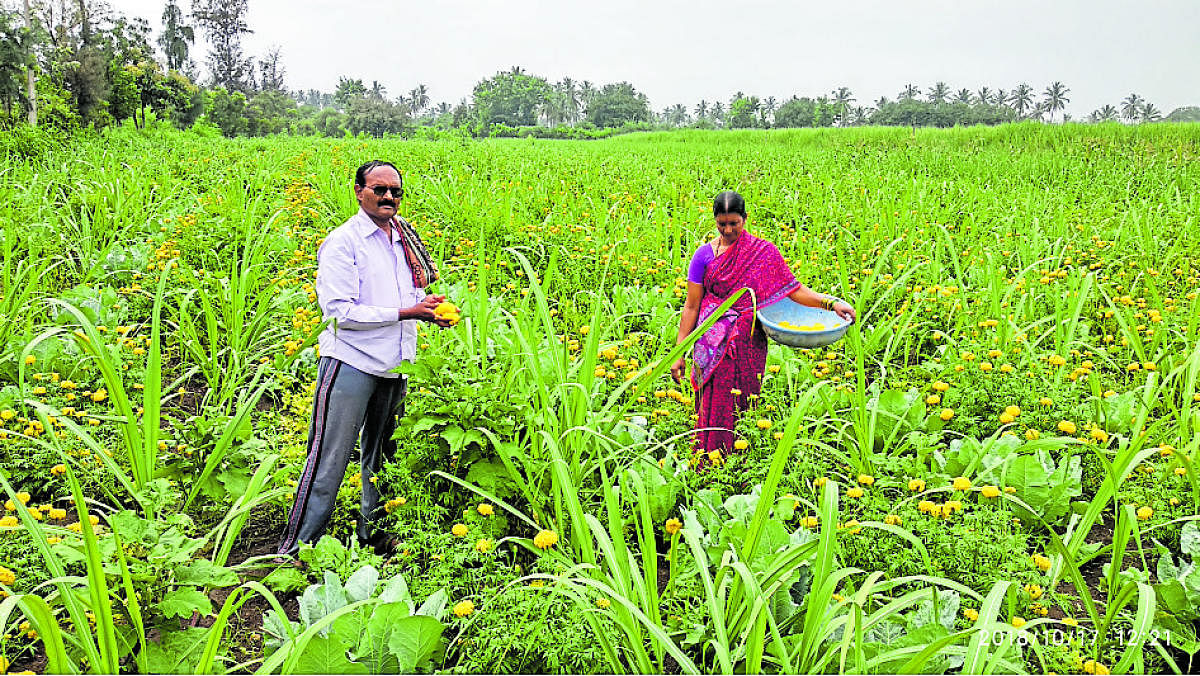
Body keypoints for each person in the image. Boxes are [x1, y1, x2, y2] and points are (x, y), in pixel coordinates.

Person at [277, 160, 451, 557]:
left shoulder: (401, 239)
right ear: (359, 192)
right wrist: (407, 313)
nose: (388, 196)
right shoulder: (344, 242)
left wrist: (426, 307)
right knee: (329, 458)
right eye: (379, 189)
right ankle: (296, 549)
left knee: (385, 456)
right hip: (351, 363)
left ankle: (375, 534)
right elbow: (339, 313)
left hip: (395, 363)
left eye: (395, 191)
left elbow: (400, 297)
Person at [670, 191, 856, 464]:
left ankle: (738, 463)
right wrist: (680, 351)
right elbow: (691, 306)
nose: (729, 230)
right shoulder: (703, 257)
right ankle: (708, 462)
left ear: (745, 219)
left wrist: (830, 303)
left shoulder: (763, 253)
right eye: (722, 224)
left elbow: (794, 290)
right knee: (714, 402)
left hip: (747, 340)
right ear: (715, 222)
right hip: (711, 342)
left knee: (743, 401)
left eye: (734, 223)